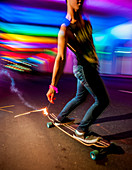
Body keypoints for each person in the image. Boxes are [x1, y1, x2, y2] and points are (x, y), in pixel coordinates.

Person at [46, 0, 109, 143]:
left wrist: (95, 63)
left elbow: (90, 46)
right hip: (84, 70)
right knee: (102, 101)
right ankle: (81, 131)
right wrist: (52, 85)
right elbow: (60, 58)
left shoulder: (87, 23)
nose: (80, 0)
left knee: (80, 97)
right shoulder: (65, 29)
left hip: (90, 68)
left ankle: (61, 117)